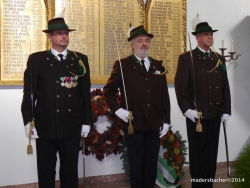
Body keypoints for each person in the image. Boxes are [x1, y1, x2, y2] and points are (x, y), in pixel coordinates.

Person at [21, 16, 92, 188]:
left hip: (72, 123)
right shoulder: (37, 60)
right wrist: (28, 121)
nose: (64, 36)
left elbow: (84, 93)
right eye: (59, 33)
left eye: (66, 33)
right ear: (50, 37)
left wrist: (87, 121)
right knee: (46, 171)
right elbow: (30, 93)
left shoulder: (79, 59)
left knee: (69, 171)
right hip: (46, 124)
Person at [103, 25, 171, 188]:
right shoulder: (122, 64)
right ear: (132, 45)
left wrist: (166, 120)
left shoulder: (157, 65)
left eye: (147, 41)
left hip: (154, 122)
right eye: (140, 41)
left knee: (150, 163)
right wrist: (118, 110)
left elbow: (164, 96)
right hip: (133, 123)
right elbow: (109, 90)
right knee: (136, 163)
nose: (144, 44)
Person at [174, 22, 231, 188]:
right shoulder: (187, 58)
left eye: (211, 34)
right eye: (206, 34)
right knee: (198, 153)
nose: (210, 37)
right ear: (197, 38)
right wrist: (186, 110)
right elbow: (181, 88)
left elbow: (224, 86)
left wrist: (226, 110)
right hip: (196, 115)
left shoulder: (218, 58)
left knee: (211, 152)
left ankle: (208, 184)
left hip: (215, 113)